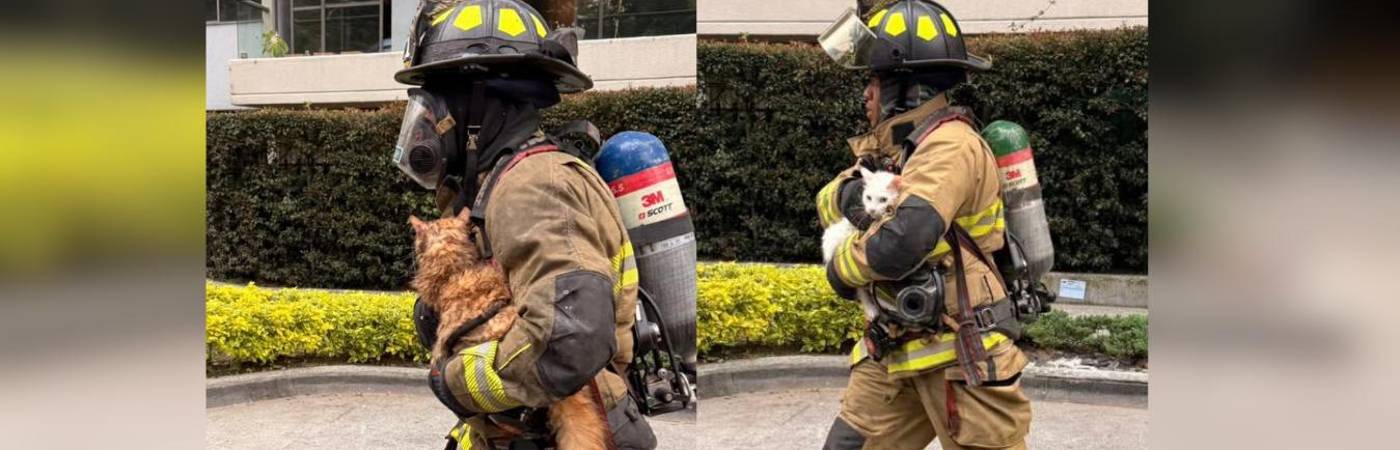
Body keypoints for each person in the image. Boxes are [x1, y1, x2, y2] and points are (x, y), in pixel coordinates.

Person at [392, 1, 656, 448]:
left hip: (564, 433)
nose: (430, 122)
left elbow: (568, 341)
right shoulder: (501, 180)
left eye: (439, 99)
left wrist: (455, 380)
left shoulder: (531, 186)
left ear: (480, 103)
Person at [814, 1, 1032, 449]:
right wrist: (849, 194)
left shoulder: (949, 147)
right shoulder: (897, 151)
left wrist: (839, 269)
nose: (866, 95)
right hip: (895, 348)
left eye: (874, 82)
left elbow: (901, 243)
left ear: (906, 88)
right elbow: (826, 198)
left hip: (962, 354)